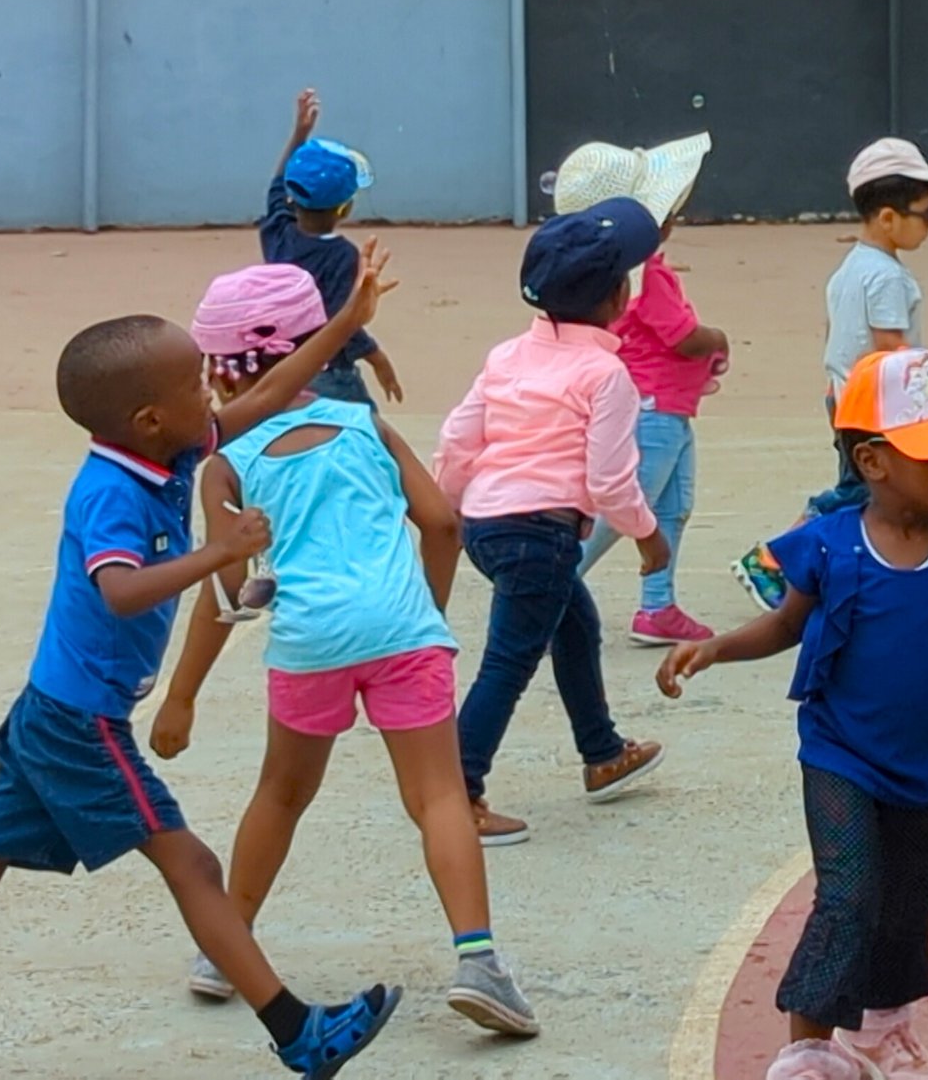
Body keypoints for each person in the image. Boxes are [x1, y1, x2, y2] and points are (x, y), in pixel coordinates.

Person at [0, 254, 400, 1080]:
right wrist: (220, 550)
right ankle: (301, 1035)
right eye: (196, 386)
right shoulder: (110, 492)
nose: (213, 397)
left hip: (52, 709)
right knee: (192, 862)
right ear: (147, 417)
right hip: (78, 723)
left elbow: (267, 397)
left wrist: (345, 326)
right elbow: (123, 591)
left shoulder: (166, 448)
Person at [153, 264, 538, 1038]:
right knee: (436, 797)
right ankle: (479, 961)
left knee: (281, 793)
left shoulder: (226, 463)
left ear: (216, 369)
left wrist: (182, 693)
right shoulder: (366, 426)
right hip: (402, 632)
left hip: (310, 641)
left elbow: (223, 592)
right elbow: (442, 524)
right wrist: (421, 608)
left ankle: (225, 945)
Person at [657, 347, 928, 1080]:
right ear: (873, 460)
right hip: (841, 755)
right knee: (849, 893)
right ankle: (809, 1049)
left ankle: (881, 1030)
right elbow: (788, 624)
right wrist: (719, 648)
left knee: (909, 901)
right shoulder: (831, 544)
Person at [434, 198, 673, 847]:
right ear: (617, 297)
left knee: (576, 623)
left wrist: (450, 507)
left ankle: (602, 749)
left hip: (489, 522)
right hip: (542, 531)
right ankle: (459, 787)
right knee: (508, 662)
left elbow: (459, 437)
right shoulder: (606, 373)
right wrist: (648, 534)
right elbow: (608, 480)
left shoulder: (508, 354)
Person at [734, 138, 928, 610]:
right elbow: (892, 348)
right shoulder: (887, 278)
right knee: (856, 493)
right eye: (927, 215)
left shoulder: (852, 268)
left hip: (847, 395)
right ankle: (771, 560)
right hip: (876, 406)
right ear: (889, 218)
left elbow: (841, 334)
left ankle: (849, 566)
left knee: (863, 491)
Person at [560, 135, 729, 647]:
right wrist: (718, 341)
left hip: (668, 409)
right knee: (624, 511)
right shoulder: (648, 274)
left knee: (672, 506)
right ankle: (553, 592)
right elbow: (682, 335)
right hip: (655, 411)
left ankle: (658, 606)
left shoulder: (622, 272)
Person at [259, 89, 401, 407]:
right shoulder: (343, 256)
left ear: (291, 197)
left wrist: (300, 133)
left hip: (282, 369)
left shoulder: (277, 233)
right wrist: (375, 356)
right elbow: (341, 321)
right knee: (365, 432)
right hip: (327, 372)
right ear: (345, 208)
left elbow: (277, 185)